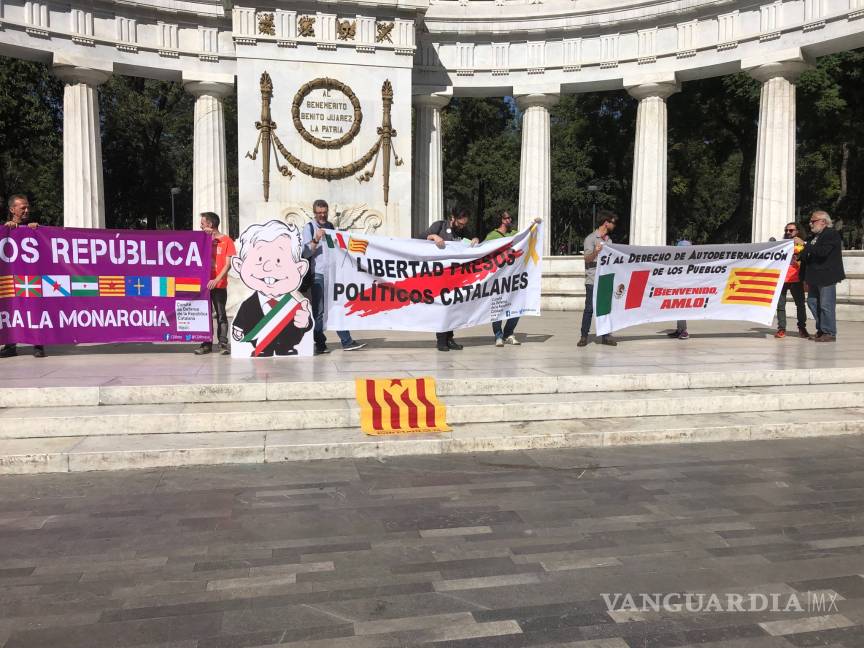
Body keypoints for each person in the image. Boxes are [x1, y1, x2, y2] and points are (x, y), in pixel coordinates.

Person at [231, 220, 313, 356]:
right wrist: (238, 329)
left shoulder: (293, 304)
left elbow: (305, 324)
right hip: (259, 346)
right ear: (239, 265)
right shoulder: (248, 305)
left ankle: (286, 348)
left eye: (279, 261)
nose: (268, 268)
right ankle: (264, 348)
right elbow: (242, 318)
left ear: (300, 269)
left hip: (289, 345)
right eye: (260, 259)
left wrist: (305, 322)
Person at [301, 199, 366, 355]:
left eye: (324, 213)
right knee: (319, 311)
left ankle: (346, 341)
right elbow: (304, 253)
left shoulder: (330, 227)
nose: (322, 215)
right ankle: (320, 343)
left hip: (333, 274)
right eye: (319, 213)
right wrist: (316, 239)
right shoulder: (309, 227)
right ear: (314, 213)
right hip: (318, 274)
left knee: (338, 307)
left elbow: (334, 249)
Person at [423, 208, 479, 352]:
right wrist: (433, 237)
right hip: (439, 276)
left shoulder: (464, 230)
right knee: (442, 307)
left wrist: (476, 240)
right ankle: (441, 340)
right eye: (460, 224)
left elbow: (472, 244)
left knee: (453, 308)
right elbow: (419, 239)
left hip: (456, 278)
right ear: (452, 218)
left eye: (464, 225)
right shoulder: (439, 226)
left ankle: (450, 338)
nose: (461, 227)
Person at [1, 194, 45, 359]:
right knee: (11, 309)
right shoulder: (6, 229)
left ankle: (38, 344)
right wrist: (7, 228)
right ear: (12, 209)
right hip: (11, 278)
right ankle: (10, 345)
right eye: (22, 208)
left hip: (31, 278)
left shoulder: (34, 228)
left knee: (34, 308)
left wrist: (36, 230)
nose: (27, 210)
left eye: (28, 207)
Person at [797, 210, 845, 342]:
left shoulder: (831, 234)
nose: (810, 224)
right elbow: (807, 255)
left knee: (826, 305)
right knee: (812, 303)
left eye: (813, 221)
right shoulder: (812, 237)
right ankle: (822, 329)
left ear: (823, 222)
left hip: (826, 276)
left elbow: (823, 252)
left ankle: (829, 332)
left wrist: (805, 245)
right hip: (813, 277)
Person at [195, 212, 235, 355]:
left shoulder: (227, 241)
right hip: (203, 285)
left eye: (202, 223)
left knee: (221, 314)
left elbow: (228, 264)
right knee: (204, 314)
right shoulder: (202, 240)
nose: (200, 226)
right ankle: (206, 344)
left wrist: (216, 280)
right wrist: (205, 238)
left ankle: (223, 344)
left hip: (218, 285)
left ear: (210, 224)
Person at [578, 211, 618, 348]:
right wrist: (596, 251)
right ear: (606, 223)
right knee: (589, 309)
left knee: (605, 309)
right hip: (592, 279)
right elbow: (587, 259)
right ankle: (584, 336)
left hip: (605, 279)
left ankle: (606, 336)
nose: (614, 225)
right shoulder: (590, 238)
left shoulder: (609, 240)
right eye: (613, 222)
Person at [775, 222, 811, 339]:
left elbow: (809, 258)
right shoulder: (781, 245)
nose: (788, 232)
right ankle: (781, 329)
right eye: (786, 230)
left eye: (791, 230)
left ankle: (802, 328)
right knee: (780, 305)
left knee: (800, 305)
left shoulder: (803, 245)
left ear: (798, 231)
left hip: (797, 279)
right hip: (782, 279)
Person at [667, 239, 691, 340]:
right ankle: (680, 330)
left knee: (682, 308)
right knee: (677, 308)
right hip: (678, 286)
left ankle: (684, 331)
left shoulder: (689, 260)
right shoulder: (679, 260)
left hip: (684, 287)